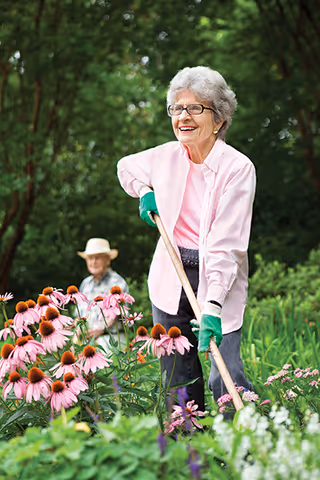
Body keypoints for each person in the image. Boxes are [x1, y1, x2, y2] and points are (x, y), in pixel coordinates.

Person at [117, 66, 256, 411]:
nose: (183, 116)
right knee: (177, 377)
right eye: (177, 108)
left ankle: (238, 451)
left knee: (225, 375)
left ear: (219, 119)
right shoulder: (165, 156)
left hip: (217, 278)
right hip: (171, 273)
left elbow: (227, 245)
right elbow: (126, 167)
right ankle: (187, 455)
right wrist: (144, 190)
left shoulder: (238, 169)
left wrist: (212, 308)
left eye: (195, 108)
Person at [78, 237, 129, 349]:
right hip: (86, 340)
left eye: (98, 258)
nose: (93, 262)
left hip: (111, 339)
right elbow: (79, 315)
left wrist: (100, 329)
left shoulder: (117, 282)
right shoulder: (85, 284)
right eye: (90, 258)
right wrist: (77, 332)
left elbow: (115, 313)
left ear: (108, 260)